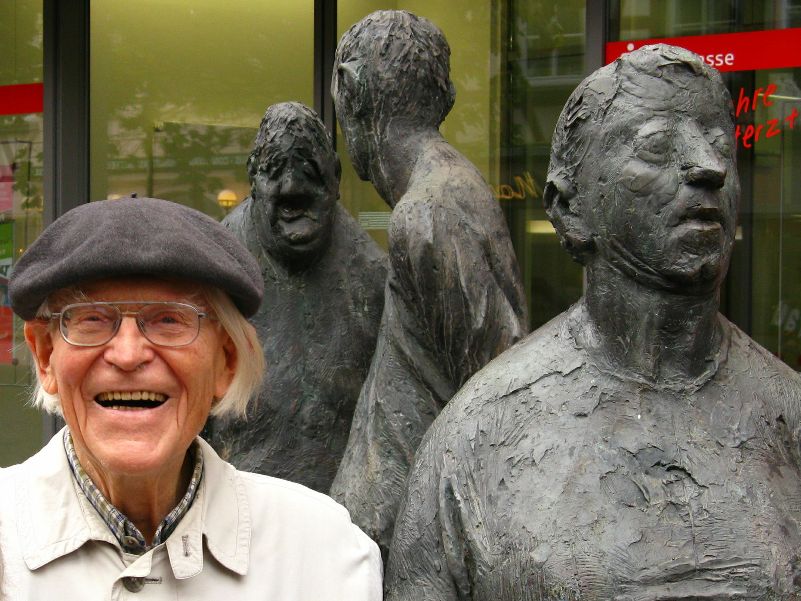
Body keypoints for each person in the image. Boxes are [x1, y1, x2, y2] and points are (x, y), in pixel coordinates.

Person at [385, 44, 801, 600]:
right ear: (569, 207)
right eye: (656, 145)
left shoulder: (789, 418)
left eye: (720, 142)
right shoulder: (477, 437)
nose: (710, 166)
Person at [0, 196, 381, 599]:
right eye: (92, 319)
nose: (128, 355)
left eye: (169, 320)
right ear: (45, 355)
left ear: (226, 361)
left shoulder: (321, 553)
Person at [329, 10, 529, 558]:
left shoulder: (429, 213)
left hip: (408, 543)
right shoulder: (437, 198)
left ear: (350, 89)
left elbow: (497, 402)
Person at [204, 102, 386, 492]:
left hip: (340, 515)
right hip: (231, 512)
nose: (292, 188)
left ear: (336, 177)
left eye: (309, 172)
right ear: (253, 178)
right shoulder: (213, 271)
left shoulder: (374, 280)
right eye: (274, 172)